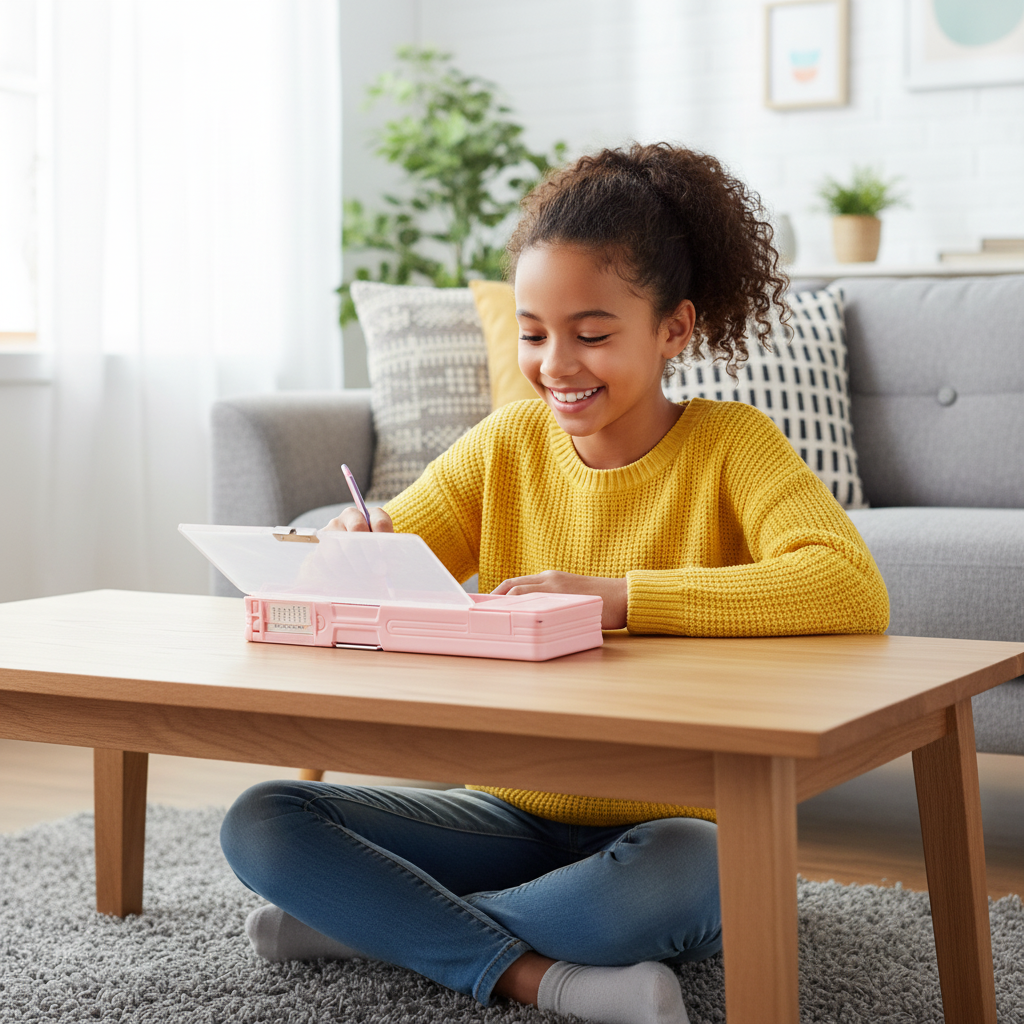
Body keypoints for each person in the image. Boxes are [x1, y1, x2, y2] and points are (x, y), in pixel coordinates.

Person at [220, 143, 889, 1024]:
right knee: (262, 819)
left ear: (673, 330)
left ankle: (368, 928)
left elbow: (849, 587)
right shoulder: (505, 446)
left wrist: (618, 597)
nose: (556, 366)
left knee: (700, 871)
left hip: (669, 832)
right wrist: (356, 544)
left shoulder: (735, 445)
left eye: (593, 334)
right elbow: (384, 563)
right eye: (534, 334)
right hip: (505, 816)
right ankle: (539, 976)